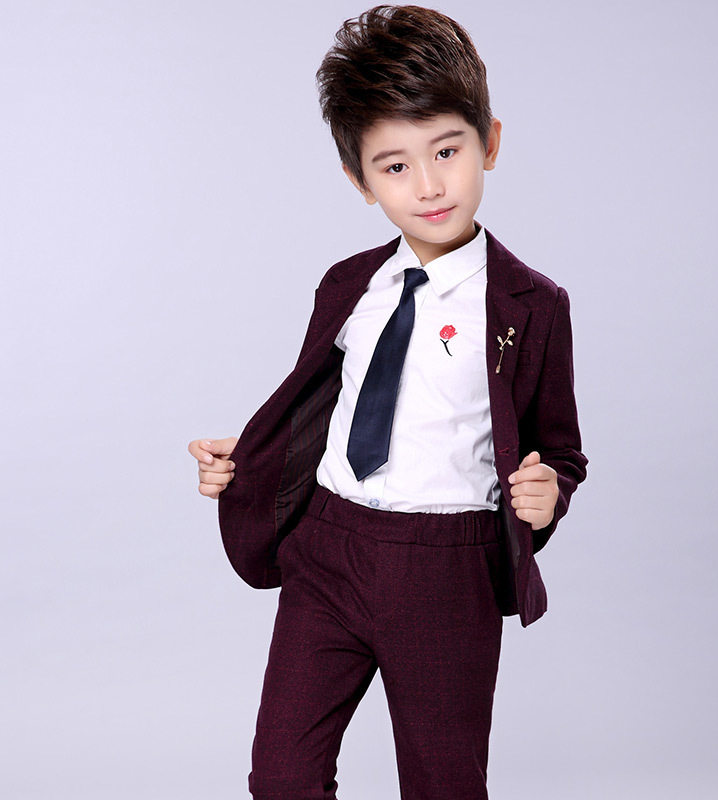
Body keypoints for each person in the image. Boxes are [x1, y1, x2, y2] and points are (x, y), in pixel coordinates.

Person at [187, 5, 587, 798]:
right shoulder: (348, 286)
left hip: (445, 567)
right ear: (360, 182)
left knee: (443, 782)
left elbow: (561, 449)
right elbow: (315, 405)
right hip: (329, 548)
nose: (429, 185)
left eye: (448, 150)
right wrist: (247, 459)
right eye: (395, 166)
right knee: (282, 775)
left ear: (490, 142)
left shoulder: (531, 305)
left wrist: (552, 493)